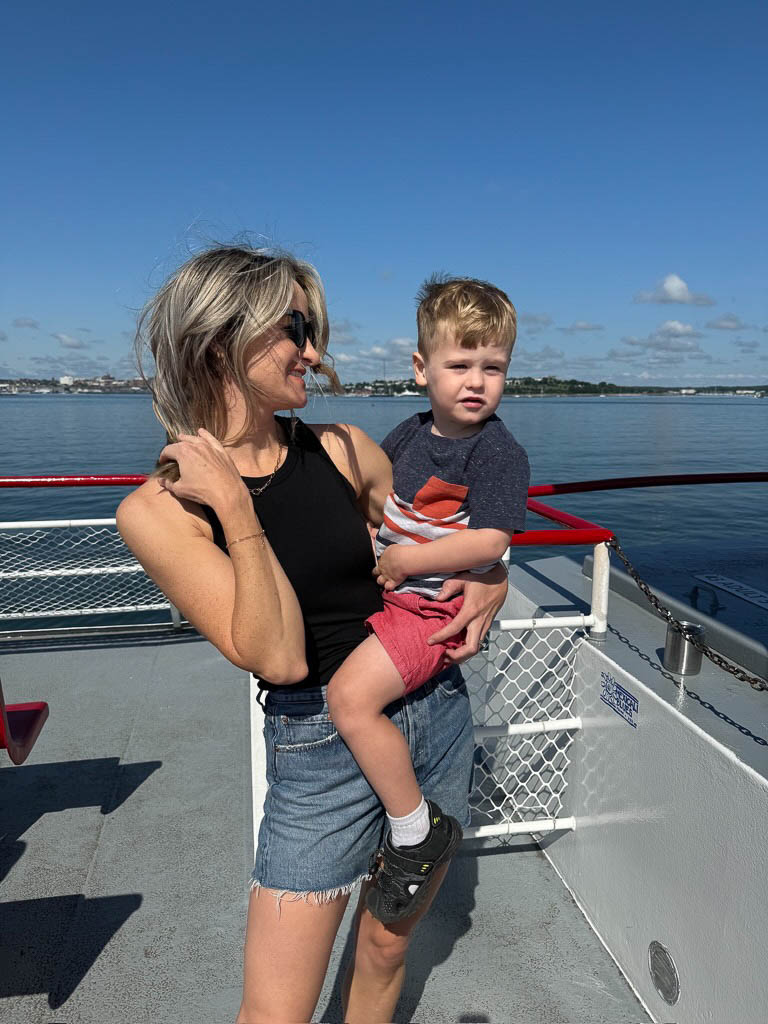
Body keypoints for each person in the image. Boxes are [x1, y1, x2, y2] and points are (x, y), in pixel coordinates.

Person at [116, 244, 510, 1024]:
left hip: (432, 705)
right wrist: (236, 506)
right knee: (275, 1011)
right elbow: (279, 654)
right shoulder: (158, 512)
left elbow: (439, 533)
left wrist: (494, 574)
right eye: (296, 330)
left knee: (387, 948)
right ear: (220, 342)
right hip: (317, 747)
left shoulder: (343, 450)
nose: (315, 353)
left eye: (313, 331)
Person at [326, 276, 529, 925]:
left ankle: (415, 829)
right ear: (422, 369)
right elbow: (379, 500)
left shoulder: (497, 452)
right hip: (391, 595)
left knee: (349, 700)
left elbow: (492, 538)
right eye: (460, 364)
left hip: (432, 608)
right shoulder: (410, 434)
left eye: (493, 367)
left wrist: (406, 560)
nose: (477, 381)